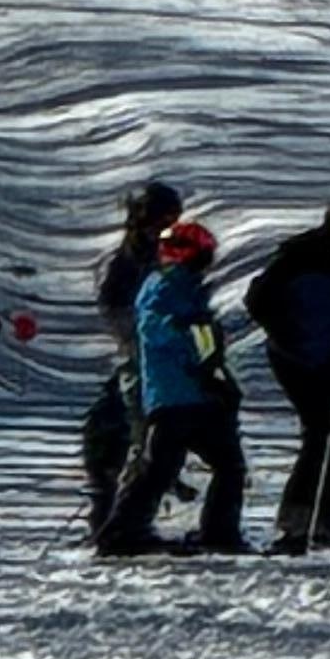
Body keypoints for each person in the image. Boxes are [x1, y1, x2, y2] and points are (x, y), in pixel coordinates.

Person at [99, 218, 246, 557]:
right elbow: (162, 332)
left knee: (225, 465)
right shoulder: (163, 287)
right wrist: (199, 357)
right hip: (175, 396)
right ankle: (121, 532)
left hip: (198, 394)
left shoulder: (189, 289)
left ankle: (219, 532)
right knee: (160, 467)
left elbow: (205, 344)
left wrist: (217, 375)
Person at [242, 190, 330, 552]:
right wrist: (291, 333)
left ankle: (325, 518)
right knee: (323, 435)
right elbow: (258, 300)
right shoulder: (300, 256)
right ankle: (297, 522)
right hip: (295, 358)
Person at [82, 180, 182, 538]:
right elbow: (113, 308)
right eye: (161, 220)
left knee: (148, 434)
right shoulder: (124, 262)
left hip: (162, 357)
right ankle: (110, 511)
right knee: (116, 429)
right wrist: (141, 333)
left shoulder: (169, 257)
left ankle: (133, 512)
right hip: (138, 355)